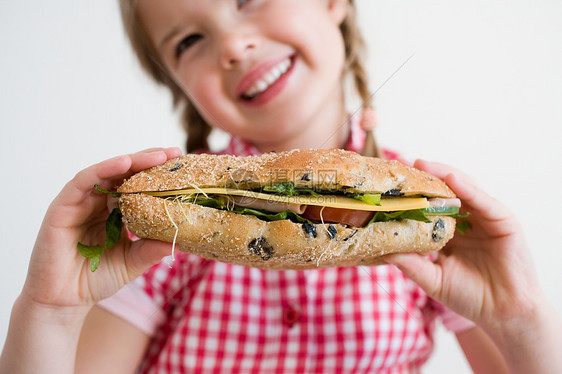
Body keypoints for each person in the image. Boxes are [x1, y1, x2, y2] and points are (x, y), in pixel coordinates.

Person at [1, 0, 561, 373]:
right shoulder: (159, 233)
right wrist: (49, 311)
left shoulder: (429, 231)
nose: (234, 45)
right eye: (190, 40)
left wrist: (522, 319)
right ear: (179, 87)